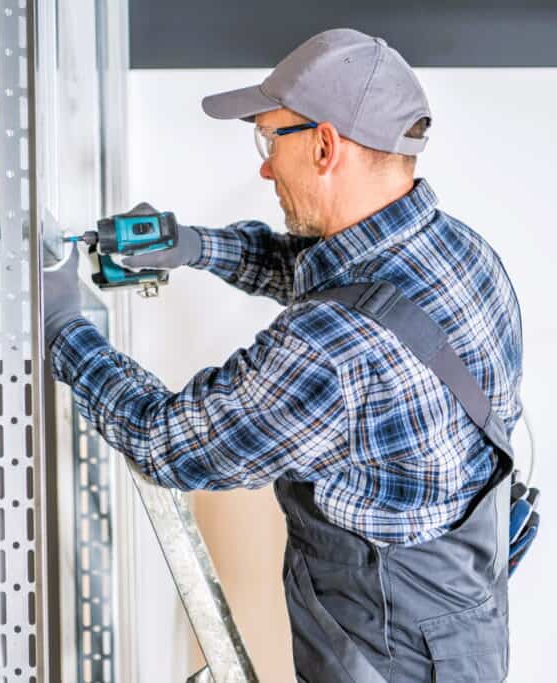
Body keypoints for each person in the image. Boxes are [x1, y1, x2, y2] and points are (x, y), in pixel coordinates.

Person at [43, 28, 522, 682]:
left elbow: (167, 441)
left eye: (272, 140)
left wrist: (63, 324)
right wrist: (192, 246)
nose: (265, 166)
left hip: (391, 660)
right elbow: (336, 277)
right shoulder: (462, 254)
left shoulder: (336, 352)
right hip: (467, 632)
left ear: (325, 146)